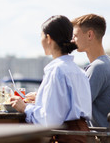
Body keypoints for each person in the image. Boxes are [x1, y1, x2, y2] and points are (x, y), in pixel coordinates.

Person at [10, 15, 92, 143]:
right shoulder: (78, 71)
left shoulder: (57, 71)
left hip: (65, 138)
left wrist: (25, 108)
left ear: (48, 38)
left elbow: (48, 120)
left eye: (41, 36)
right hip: (81, 137)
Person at [71, 14, 110, 127]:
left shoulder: (97, 67)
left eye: (75, 35)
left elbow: (76, 107)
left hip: (101, 138)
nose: (72, 39)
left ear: (90, 35)